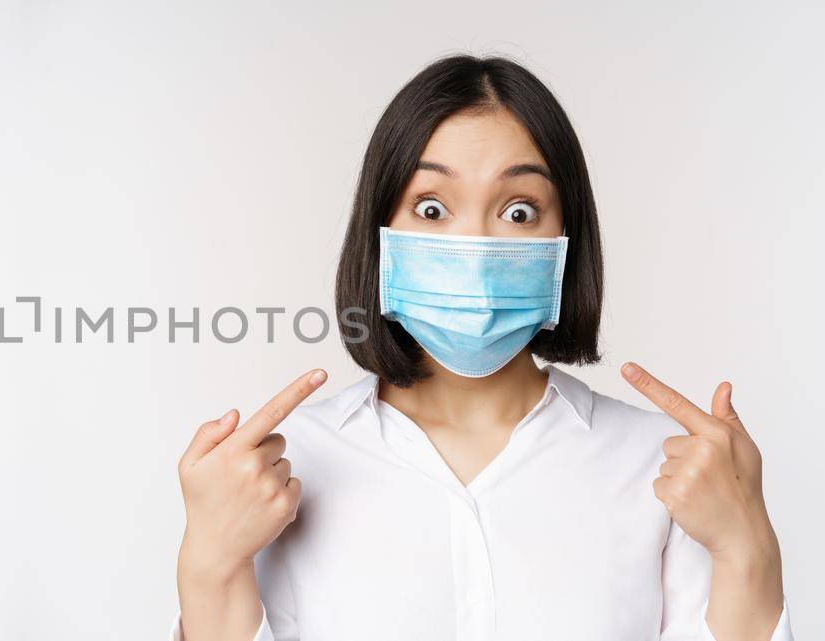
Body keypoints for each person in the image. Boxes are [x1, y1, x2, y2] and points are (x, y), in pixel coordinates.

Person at [171, 56, 791, 641]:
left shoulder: (664, 469)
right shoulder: (280, 471)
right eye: (433, 208)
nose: (475, 247)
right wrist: (209, 566)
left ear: (566, 239)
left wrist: (747, 547)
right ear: (379, 233)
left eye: (519, 211)